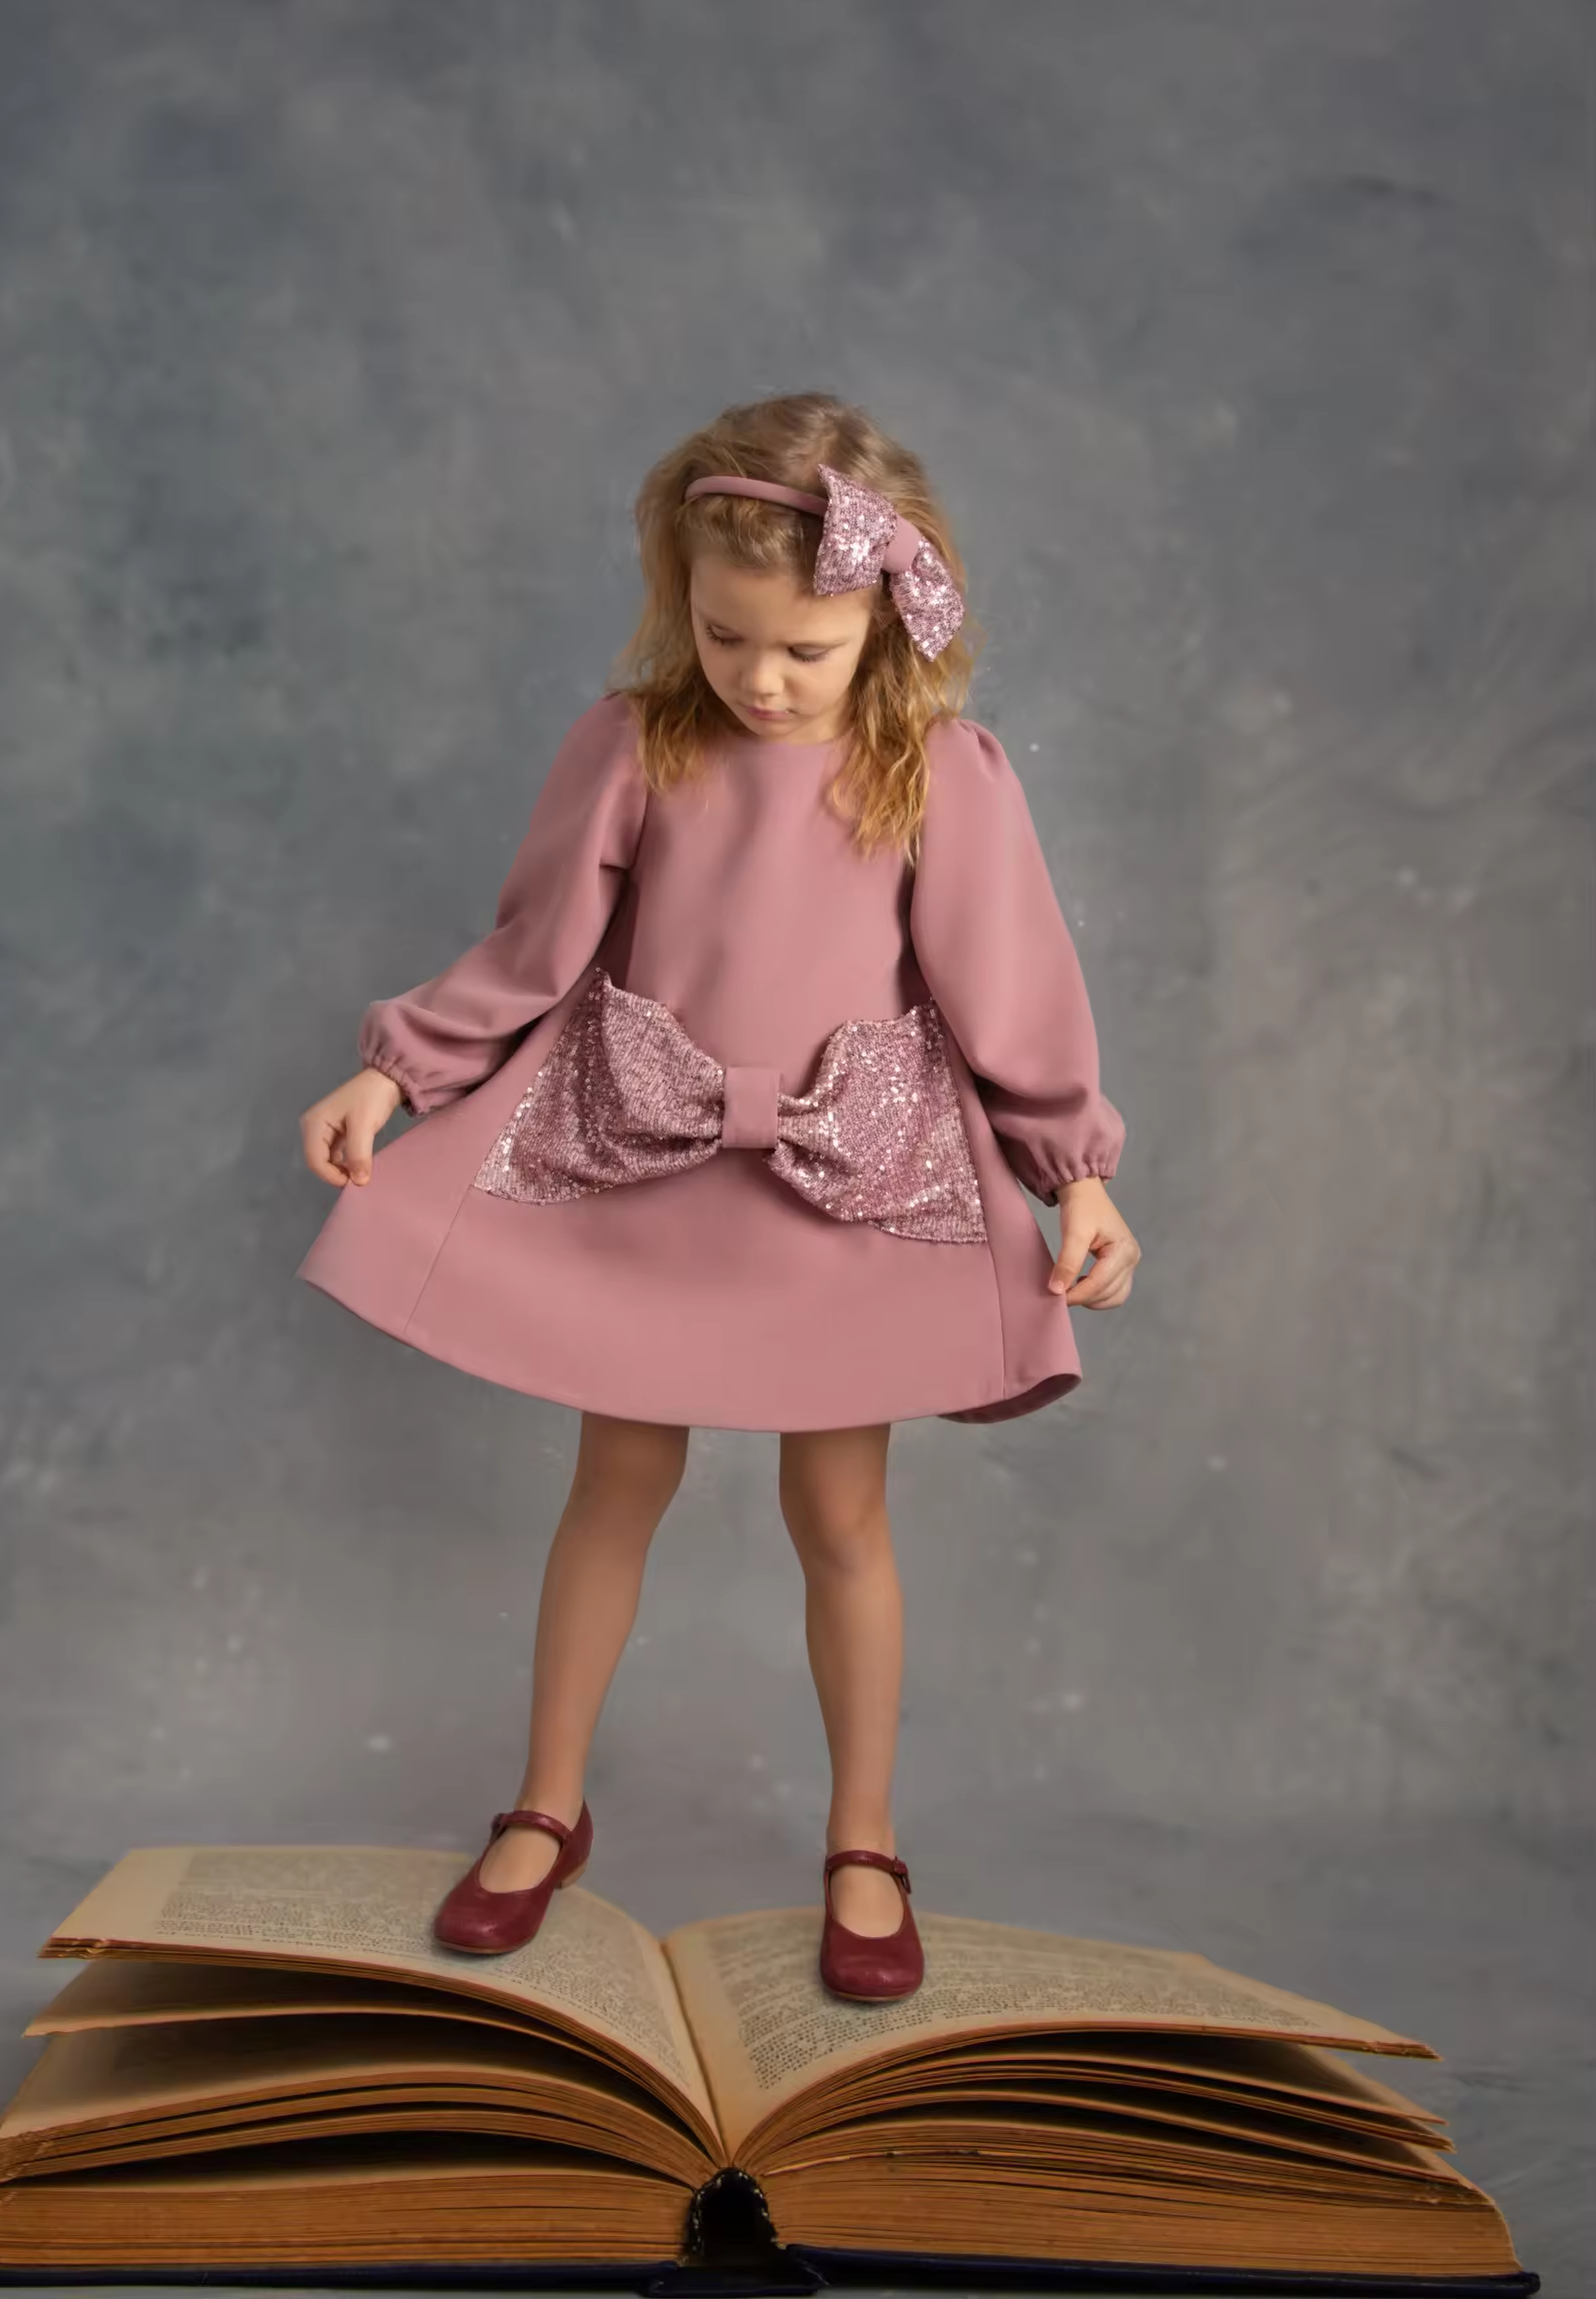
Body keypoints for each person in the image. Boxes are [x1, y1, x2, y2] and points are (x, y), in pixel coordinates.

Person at [296, 391, 1140, 2003]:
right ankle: (546, 1807)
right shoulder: (636, 744)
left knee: (842, 1518)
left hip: (849, 1187)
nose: (760, 677)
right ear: (678, 601)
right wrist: (395, 1076)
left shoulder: (938, 772)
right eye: (725, 634)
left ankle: (864, 1841)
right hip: (648, 1162)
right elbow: (532, 952)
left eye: (803, 650)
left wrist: (1078, 1174)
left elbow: (1011, 991)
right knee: (615, 1483)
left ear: (887, 618)